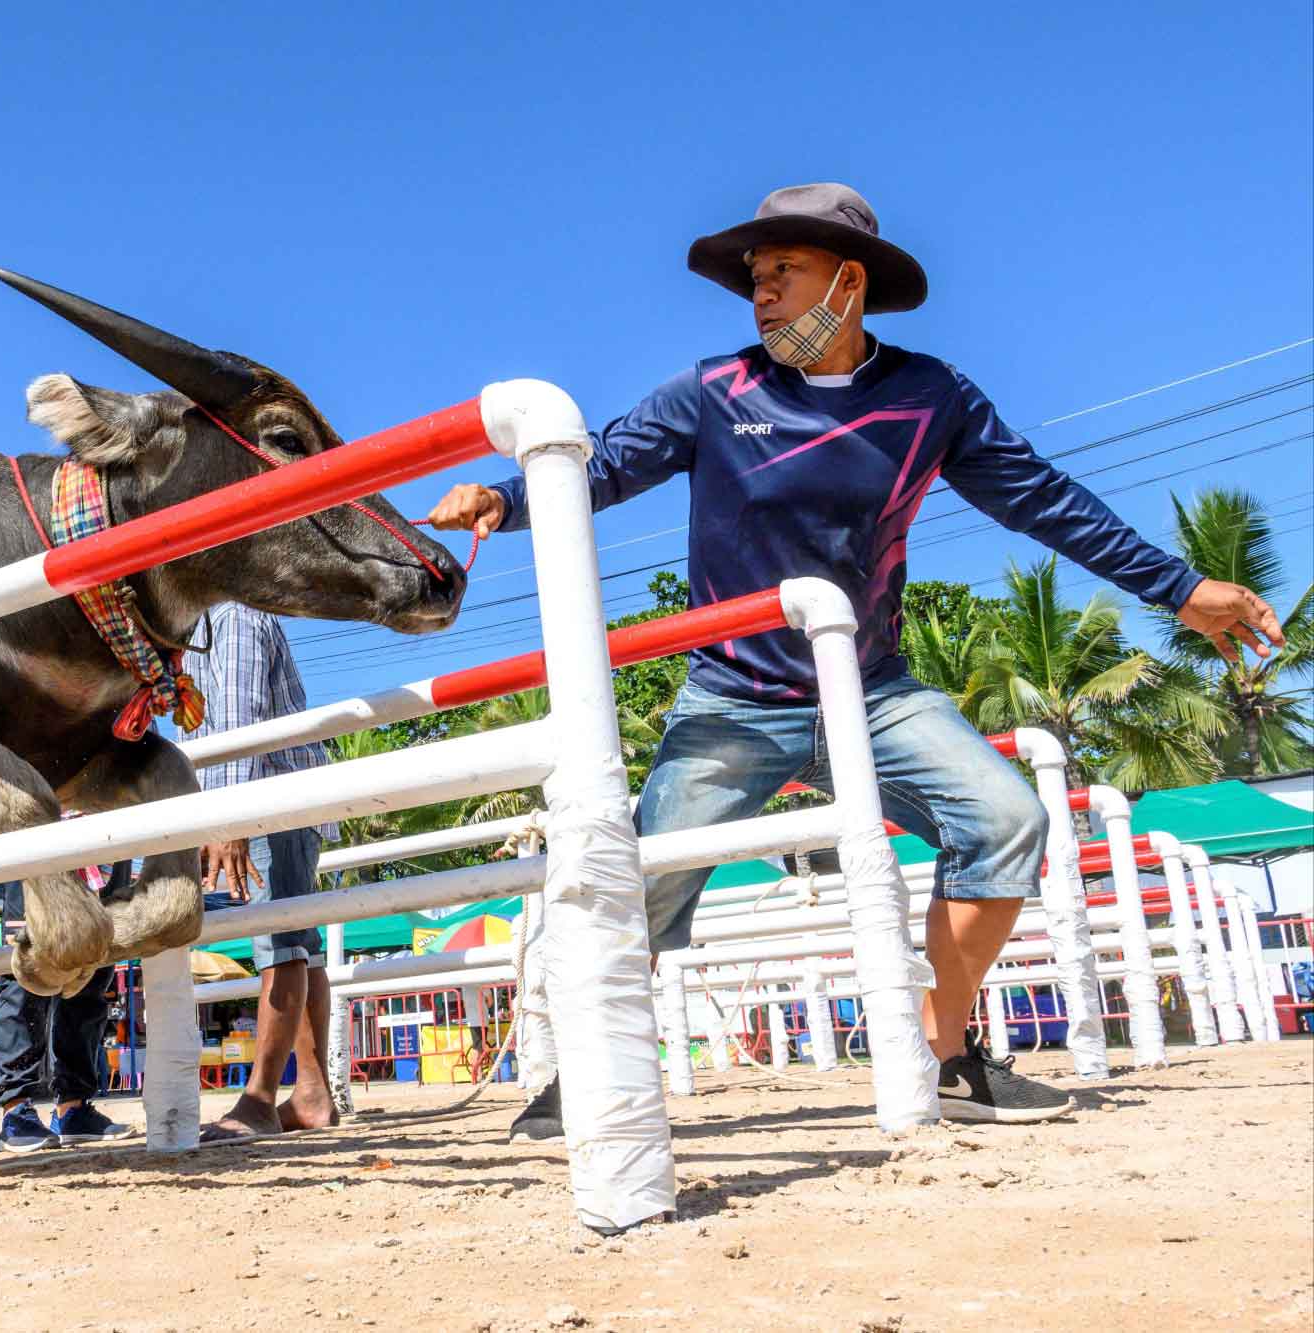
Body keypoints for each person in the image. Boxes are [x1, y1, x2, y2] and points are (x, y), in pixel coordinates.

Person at [429, 182, 1285, 1128]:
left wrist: (1178, 586)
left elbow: (1044, 500)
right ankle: (590, 1077)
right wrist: (506, 499)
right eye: (755, 278)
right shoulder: (714, 392)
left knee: (1007, 819)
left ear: (849, 282)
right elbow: (602, 465)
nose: (762, 294)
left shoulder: (931, 398)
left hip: (872, 691)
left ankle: (943, 1054)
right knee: (639, 885)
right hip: (733, 698)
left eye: (783, 272)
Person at [187, 602, 341, 1141]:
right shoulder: (209, 621)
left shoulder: (230, 616)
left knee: (281, 944)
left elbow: (239, 720)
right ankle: (312, 1095)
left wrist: (228, 818)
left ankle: (259, 1100)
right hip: (271, 799)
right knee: (299, 946)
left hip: (267, 800)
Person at [0, 878, 138, 1152]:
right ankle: (15, 1110)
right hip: (35, 864)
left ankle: (72, 1109)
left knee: (93, 974)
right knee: (26, 971)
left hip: (101, 867)